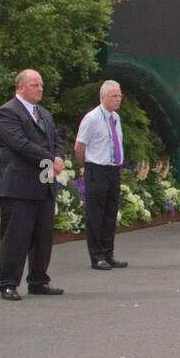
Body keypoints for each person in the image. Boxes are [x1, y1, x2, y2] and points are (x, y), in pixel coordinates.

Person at [0, 69, 64, 300]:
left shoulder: (44, 114)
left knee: (43, 236)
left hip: (44, 185)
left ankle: (38, 280)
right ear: (21, 87)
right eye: (35, 85)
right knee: (16, 237)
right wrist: (50, 159)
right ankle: (8, 283)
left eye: (41, 84)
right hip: (19, 186)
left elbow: (57, 141)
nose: (40, 88)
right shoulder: (8, 112)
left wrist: (59, 157)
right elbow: (20, 144)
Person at [74, 80, 126, 271]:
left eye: (119, 96)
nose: (118, 99)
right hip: (97, 168)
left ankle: (108, 253)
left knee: (110, 212)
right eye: (114, 96)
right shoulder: (92, 118)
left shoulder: (116, 118)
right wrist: (85, 165)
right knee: (96, 213)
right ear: (102, 97)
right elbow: (80, 146)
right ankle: (96, 256)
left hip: (113, 169)